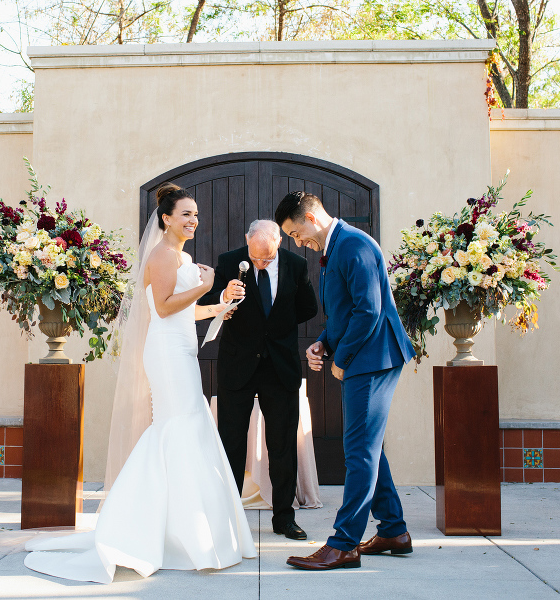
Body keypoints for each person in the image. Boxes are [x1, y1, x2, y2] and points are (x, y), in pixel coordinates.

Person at [21, 183, 255, 583]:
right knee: (179, 427)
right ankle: (162, 534)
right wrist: (205, 283)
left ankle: (178, 530)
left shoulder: (181, 256)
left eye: (196, 214)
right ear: (166, 218)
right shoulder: (163, 255)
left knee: (188, 426)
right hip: (166, 354)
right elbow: (163, 309)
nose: (193, 220)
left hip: (181, 350)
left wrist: (220, 304)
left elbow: (184, 312)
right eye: (186, 214)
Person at [275, 192, 416, 571]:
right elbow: (346, 311)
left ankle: (344, 543)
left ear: (310, 217)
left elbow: (369, 310)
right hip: (364, 357)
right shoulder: (335, 247)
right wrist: (324, 341)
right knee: (366, 447)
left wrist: (343, 359)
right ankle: (393, 530)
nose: (295, 241)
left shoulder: (353, 244)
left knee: (358, 451)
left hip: (374, 359)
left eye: (294, 232)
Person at [199, 219, 318, 540]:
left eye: (267, 259)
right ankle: (229, 517)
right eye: (255, 258)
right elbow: (205, 305)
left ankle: (284, 517)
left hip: (280, 368)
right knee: (231, 444)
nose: (261, 263)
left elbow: (309, 307)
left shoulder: (296, 265)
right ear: (247, 241)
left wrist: (277, 323)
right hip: (237, 366)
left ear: (279, 242)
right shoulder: (228, 262)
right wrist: (224, 297)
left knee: (282, 445)